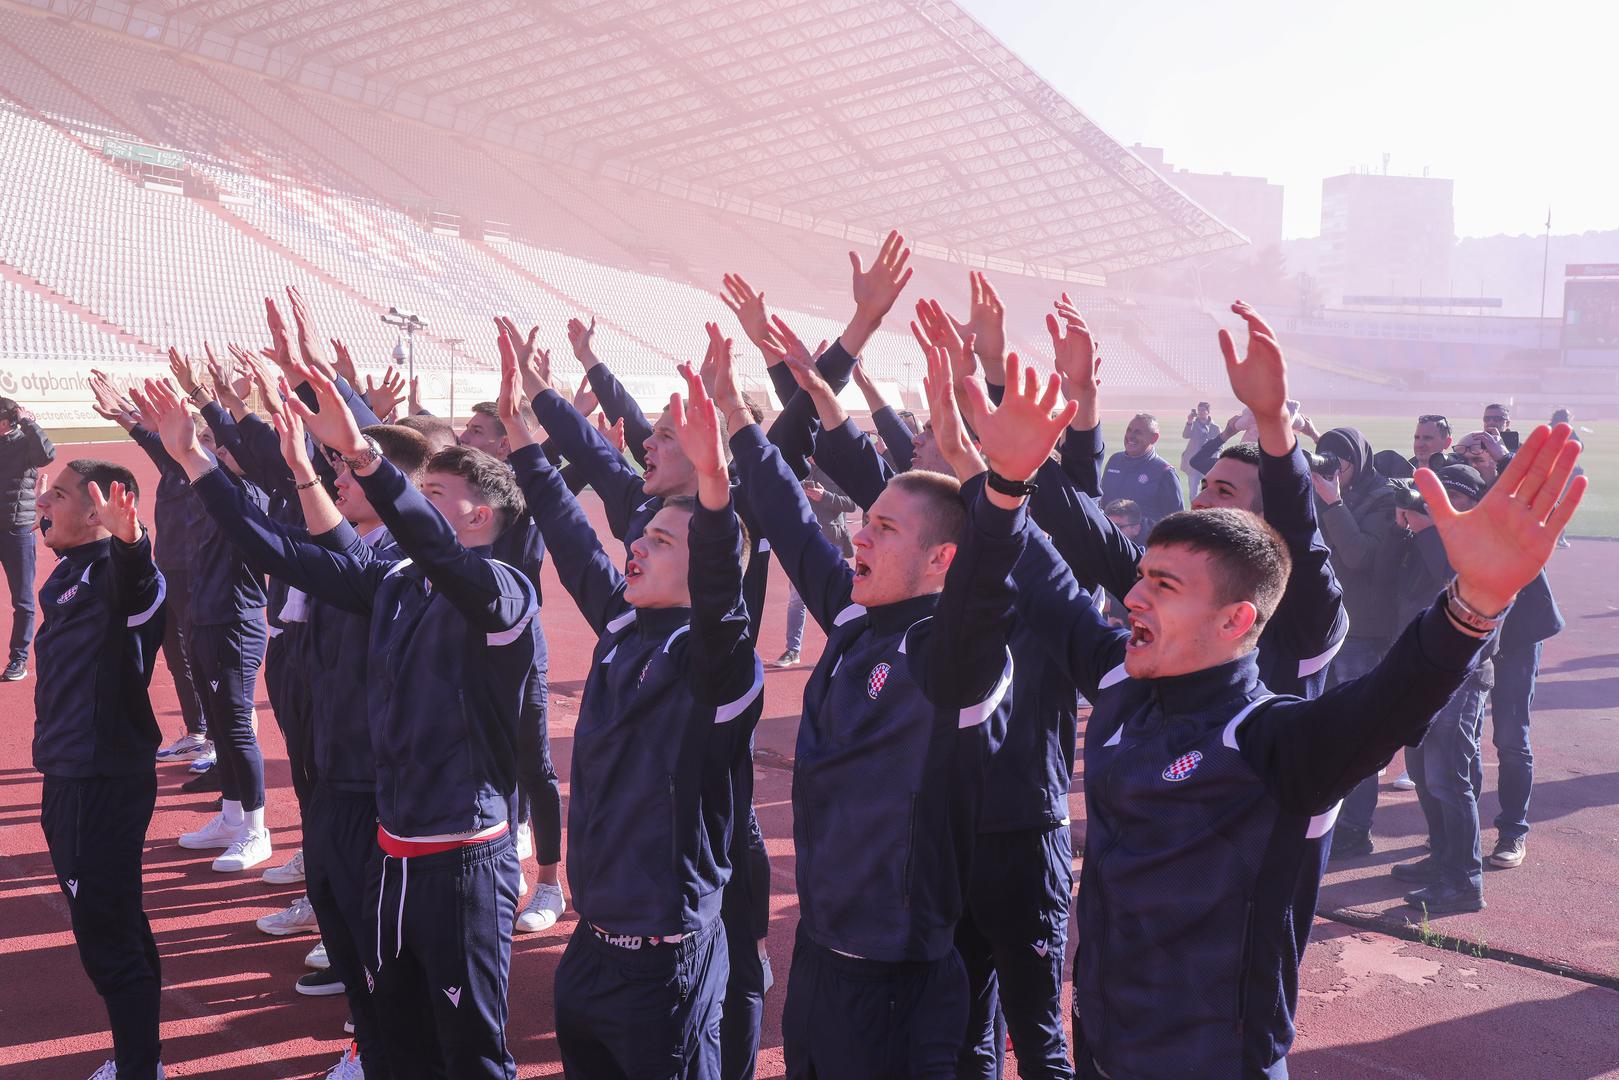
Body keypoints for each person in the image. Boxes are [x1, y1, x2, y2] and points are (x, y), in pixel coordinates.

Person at [957, 359, 1586, 1075]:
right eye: (1139, 580)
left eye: (1160, 586)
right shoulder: (1122, 684)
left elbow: (1394, 695)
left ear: (1235, 620)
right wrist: (1001, 481)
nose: (1131, 599)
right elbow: (1040, 574)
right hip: (1101, 1046)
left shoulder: (1270, 742)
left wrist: (1472, 602)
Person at [144, 370, 536, 1080]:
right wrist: (196, 461)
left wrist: (362, 454)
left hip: (463, 859)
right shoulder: (391, 580)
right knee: (392, 1034)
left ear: (478, 517)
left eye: (433, 497)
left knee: (472, 1053)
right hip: (394, 848)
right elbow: (273, 549)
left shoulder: (503, 593)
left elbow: (440, 555)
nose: (413, 506)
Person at [727, 330, 1063, 1076]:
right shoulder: (852, 618)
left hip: (896, 975)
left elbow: (979, 598)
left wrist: (1003, 492)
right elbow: (783, 514)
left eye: (882, 528)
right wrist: (736, 418)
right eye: (862, 520)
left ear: (942, 559)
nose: (857, 537)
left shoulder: (950, 658)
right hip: (818, 951)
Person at [506, 355, 763, 1079]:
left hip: (663, 959)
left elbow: (720, 599)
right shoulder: (623, 624)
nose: (635, 547)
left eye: (659, 544)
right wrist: (526, 441)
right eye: (639, 540)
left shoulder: (714, 664)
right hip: (590, 945)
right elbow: (567, 530)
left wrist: (713, 492)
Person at [33, 460, 167, 1080]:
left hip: (100, 779)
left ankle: (140, 1069)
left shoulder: (121, 573)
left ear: (98, 511)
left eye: (57, 493)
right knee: (118, 918)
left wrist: (131, 542)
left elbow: (137, 585)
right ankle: (140, 1059)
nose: (43, 501)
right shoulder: (64, 577)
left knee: (105, 934)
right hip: (67, 774)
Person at [126, 376, 274, 873]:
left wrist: (196, 439)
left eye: (212, 445)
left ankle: (256, 830)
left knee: (236, 726)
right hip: (206, 616)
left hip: (236, 621)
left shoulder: (246, 494)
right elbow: (178, 461)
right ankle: (231, 816)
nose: (200, 453)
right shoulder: (206, 491)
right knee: (223, 727)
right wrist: (138, 426)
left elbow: (201, 467)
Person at [459, 393, 567, 934]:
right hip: (465, 642)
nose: (465, 437)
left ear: (505, 443)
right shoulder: (455, 501)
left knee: (533, 764)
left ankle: (549, 882)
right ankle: (500, 864)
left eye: (477, 430)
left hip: (521, 645)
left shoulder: (522, 504)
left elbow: (547, 473)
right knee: (482, 759)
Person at [1383, 465, 1498, 914]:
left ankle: (1465, 881)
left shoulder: (1481, 539)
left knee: (1449, 779)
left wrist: (1430, 527)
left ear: (1471, 499)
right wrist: (1402, 528)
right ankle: (1442, 858)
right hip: (1420, 670)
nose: (1438, 503)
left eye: (1449, 496)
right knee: (1424, 772)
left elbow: (1453, 577)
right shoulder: (1427, 534)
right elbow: (1386, 578)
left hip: (1460, 674)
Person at [1311, 428, 1400, 859]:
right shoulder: (1324, 490)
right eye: (1325, 458)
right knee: (1322, 727)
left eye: (1340, 462)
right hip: (1325, 625)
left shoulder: (1381, 499)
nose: (1332, 468)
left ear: (1358, 463)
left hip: (1362, 632)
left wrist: (1333, 503)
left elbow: (1360, 556)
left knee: (1359, 732)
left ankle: (1355, 827)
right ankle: (1325, 814)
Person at [773, 461, 855, 667]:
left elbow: (851, 504)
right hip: (803, 541)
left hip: (832, 541)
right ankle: (793, 650)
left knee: (837, 598)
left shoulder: (837, 467)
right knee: (796, 598)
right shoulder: (797, 466)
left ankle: (843, 649)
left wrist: (824, 496)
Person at [0, 395, 56, 680]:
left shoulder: (26, 443)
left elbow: (48, 455)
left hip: (17, 529)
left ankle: (18, 659)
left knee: (22, 599)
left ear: (8, 422)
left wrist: (29, 422)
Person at [1100, 412, 1184, 528]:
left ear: (1154, 438)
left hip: (1144, 544)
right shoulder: (1114, 460)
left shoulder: (1164, 472)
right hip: (1109, 539)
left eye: (1138, 432)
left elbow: (1176, 521)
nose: (1130, 436)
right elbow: (1102, 501)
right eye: (1129, 430)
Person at [1181, 401, 1221, 501]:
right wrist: (1189, 421)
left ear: (1208, 412)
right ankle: (1193, 514)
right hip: (1194, 463)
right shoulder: (1193, 425)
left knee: (1207, 492)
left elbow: (1220, 446)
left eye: (1203, 410)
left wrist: (1215, 459)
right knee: (1193, 493)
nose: (1200, 412)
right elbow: (1185, 435)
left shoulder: (1215, 428)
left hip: (1207, 464)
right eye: (1199, 410)